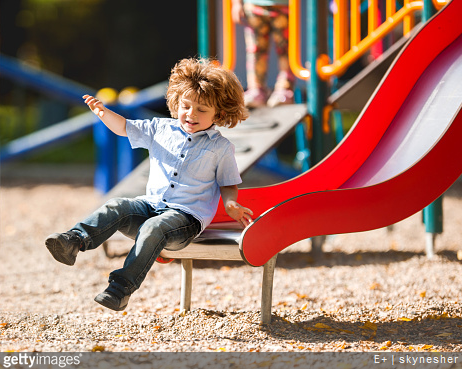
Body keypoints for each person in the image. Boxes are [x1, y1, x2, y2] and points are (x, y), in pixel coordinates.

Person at [45, 58, 254, 312]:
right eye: (186, 106)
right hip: (150, 207)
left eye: (201, 110)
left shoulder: (220, 148)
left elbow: (228, 183)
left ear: (218, 114)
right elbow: (124, 128)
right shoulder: (160, 128)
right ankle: (74, 241)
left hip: (185, 219)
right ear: (177, 102)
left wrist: (231, 203)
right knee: (117, 206)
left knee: (156, 227)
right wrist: (103, 113)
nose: (191, 114)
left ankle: (120, 289)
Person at [232, 0, 295, 108]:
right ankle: (256, 89)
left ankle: (284, 88)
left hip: (284, 5)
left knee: (285, 48)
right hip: (254, 6)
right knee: (255, 50)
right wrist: (236, 3)